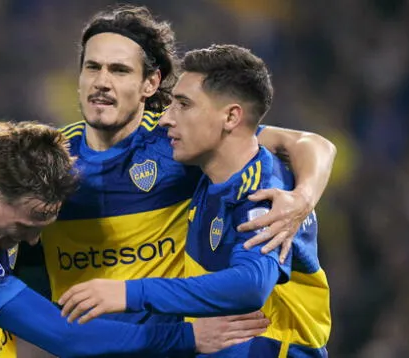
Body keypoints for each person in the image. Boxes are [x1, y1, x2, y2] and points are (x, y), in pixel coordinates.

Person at [0, 5, 335, 356]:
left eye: (119, 70)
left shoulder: (181, 143)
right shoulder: (39, 160)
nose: (101, 81)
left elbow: (309, 143)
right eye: (92, 67)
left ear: (150, 83)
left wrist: (303, 197)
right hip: (99, 343)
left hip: (169, 339)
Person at [0, 120, 264, 357]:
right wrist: (188, 337)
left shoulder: (0, 169)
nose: (33, 241)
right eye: (29, 224)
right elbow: (66, 338)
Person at [58, 45, 331, 357]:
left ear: (231, 116)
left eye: (183, 105)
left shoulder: (265, 192)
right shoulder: (206, 173)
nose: (166, 119)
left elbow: (251, 285)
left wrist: (128, 292)